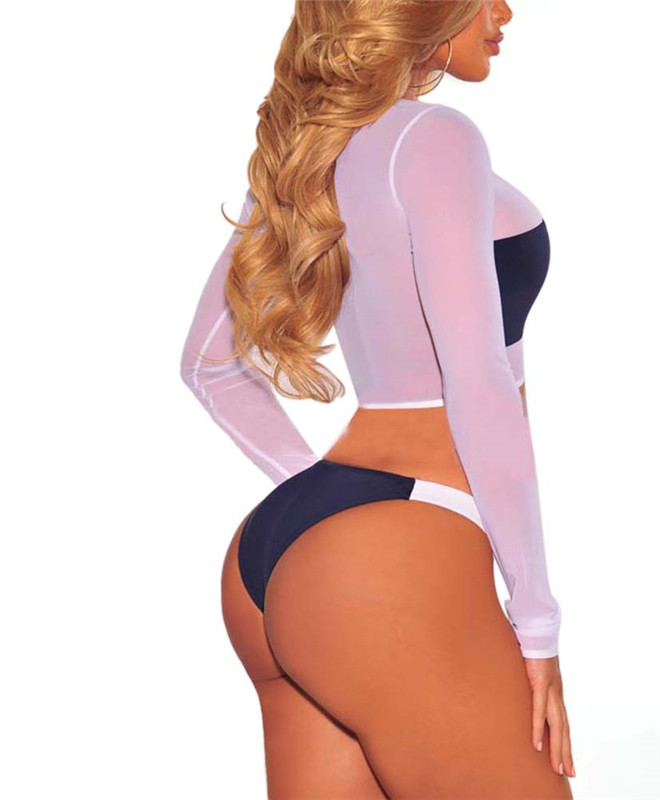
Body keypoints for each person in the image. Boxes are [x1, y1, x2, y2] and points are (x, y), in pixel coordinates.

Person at [180, 1, 575, 796]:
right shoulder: (436, 138)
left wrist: (323, 509)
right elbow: (477, 379)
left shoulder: (308, 153)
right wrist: (537, 625)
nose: (505, 11)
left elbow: (206, 365)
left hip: (284, 549)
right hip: (399, 550)